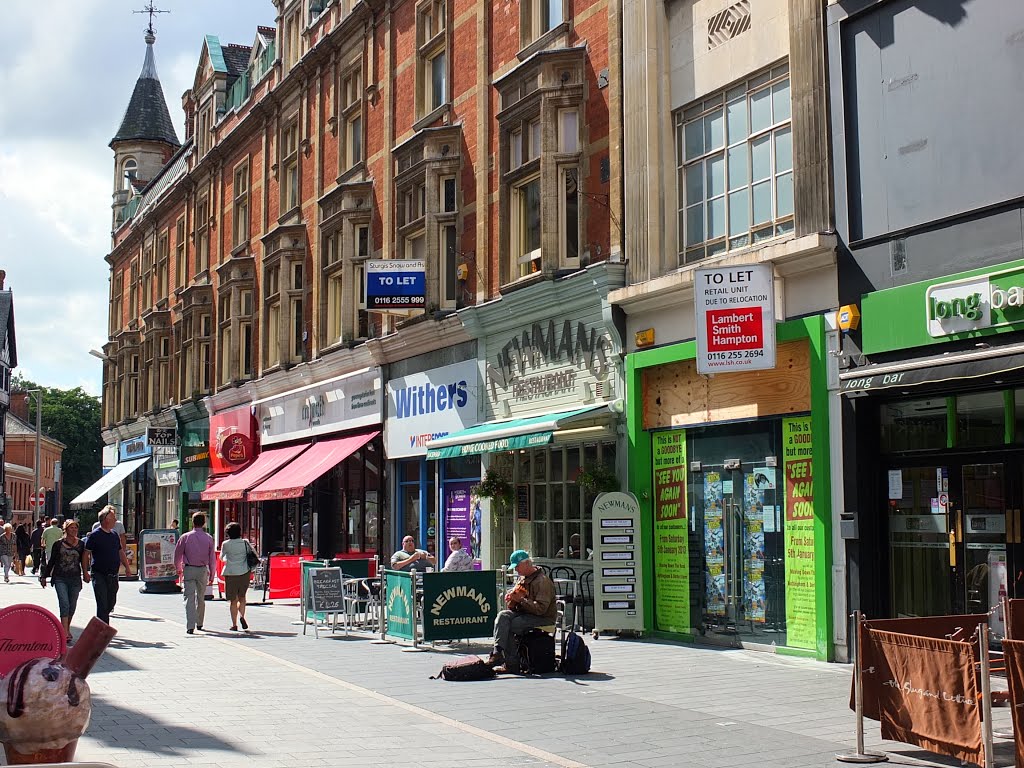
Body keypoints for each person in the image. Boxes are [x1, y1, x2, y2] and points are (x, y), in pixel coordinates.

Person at [487, 550, 556, 674]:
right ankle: (497, 652)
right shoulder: (522, 578)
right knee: (502, 616)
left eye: (517, 567)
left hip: (543, 617)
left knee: (511, 625)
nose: (516, 570)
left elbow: (541, 609)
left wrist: (522, 600)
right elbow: (515, 603)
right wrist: (512, 600)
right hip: (525, 612)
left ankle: (512, 663)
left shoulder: (542, 581)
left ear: (527, 564)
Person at [40, 520, 88, 644]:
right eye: (71, 528)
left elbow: (83, 561)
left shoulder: (81, 544)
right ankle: (65, 632)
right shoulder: (58, 544)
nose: (74, 530)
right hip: (60, 577)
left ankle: (66, 628)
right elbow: (52, 562)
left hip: (75, 578)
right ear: (66, 529)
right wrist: (44, 576)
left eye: (75, 528)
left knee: (72, 605)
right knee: (64, 603)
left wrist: (86, 573)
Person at [84, 506, 130, 626]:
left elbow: (120, 552)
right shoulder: (95, 535)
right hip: (99, 573)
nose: (115, 520)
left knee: (110, 602)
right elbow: (86, 554)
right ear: (106, 520)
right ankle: (103, 630)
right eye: (113, 518)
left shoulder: (114, 535)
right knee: (102, 603)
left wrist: (127, 567)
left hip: (113, 574)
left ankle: (102, 624)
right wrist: (85, 571)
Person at [174, 511, 216, 635]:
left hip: (189, 569)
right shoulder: (208, 538)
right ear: (204, 523)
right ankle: (200, 622)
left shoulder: (185, 537)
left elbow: (177, 554)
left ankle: (190, 625)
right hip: (202, 569)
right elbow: (212, 558)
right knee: (201, 597)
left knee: (189, 597)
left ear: (192, 522)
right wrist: (212, 574)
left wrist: (178, 568)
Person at [219, 522, 253, 632]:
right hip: (244, 572)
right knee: (242, 597)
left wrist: (228, 561)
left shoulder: (226, 544)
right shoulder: (245, 543)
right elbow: (252, 555)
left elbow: (221, 557)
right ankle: (242, 616)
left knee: (233, 600)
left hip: (231, 573)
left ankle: (234, 624)